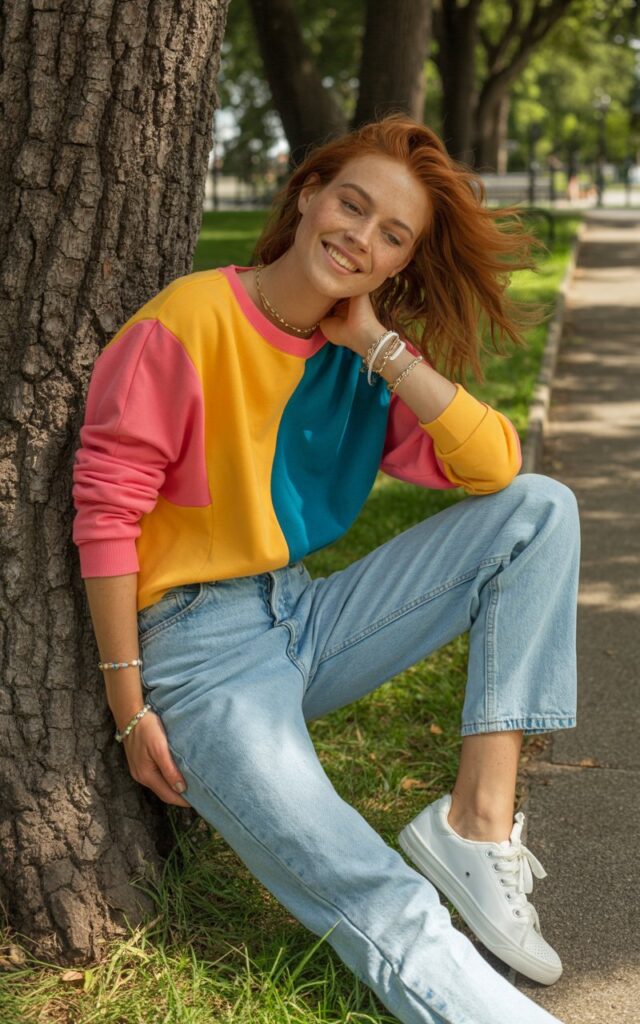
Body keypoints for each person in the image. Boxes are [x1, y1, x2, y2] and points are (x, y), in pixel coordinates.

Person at [71, 114, 579, 1024]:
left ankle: (475, 827)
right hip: (197, 655)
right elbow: (107, 514)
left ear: (400, 265)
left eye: (393, 235)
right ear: (308, 195)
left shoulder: (360, 362)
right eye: (352, 204)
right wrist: (128, 703)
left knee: (541, 510)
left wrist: (378, 345)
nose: (360, 237)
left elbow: (495, 467)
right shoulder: (189, 319)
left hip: (303, 616)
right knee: (376, 893)